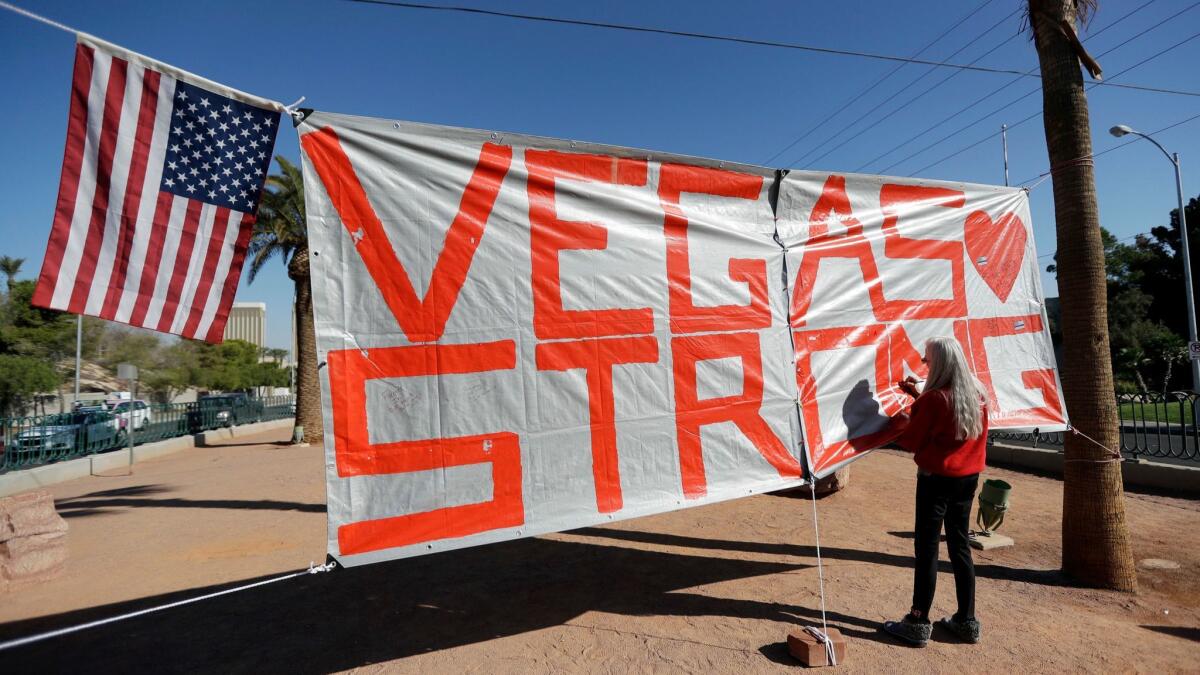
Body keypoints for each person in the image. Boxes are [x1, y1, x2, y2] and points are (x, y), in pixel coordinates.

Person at [882, 337, 988, 647]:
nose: (924, 365)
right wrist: (918, 394)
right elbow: (953, 419)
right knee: (959, 547)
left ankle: (918, 620)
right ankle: (967, 621)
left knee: (927, 549)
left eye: (927, 361)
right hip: (968, 478)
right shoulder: (978, 394)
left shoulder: (933, 401)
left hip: (935, 480)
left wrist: (900, 418)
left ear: (939, 363)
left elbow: (912, 440)